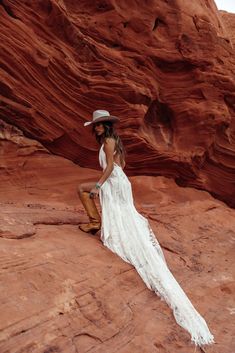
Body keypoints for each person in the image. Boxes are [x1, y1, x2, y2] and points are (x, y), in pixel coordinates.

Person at [78, 109, 214, 347]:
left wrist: (100, 185)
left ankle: (94, 222)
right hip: (120, 182)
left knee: (84, 191)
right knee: (123, 215)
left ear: (106, 126)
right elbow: (121, 164)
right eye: (95, 126)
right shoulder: (114, 141)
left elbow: (110, 166)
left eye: (99, 125)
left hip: (113, 181)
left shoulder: (109, 141)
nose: (96, 128)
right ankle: (96, 222)